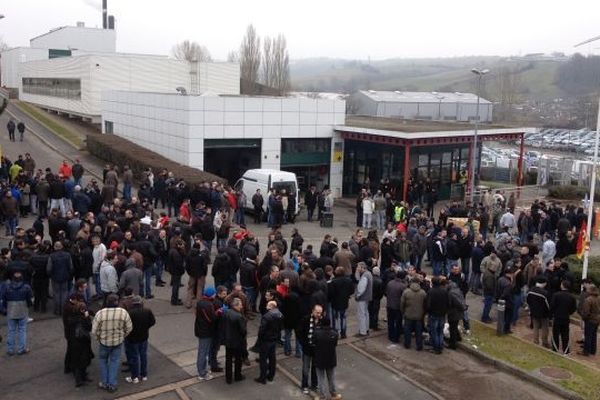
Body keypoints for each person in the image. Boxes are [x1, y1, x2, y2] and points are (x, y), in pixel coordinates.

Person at [92, 294, 133, 393]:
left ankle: (104, 382)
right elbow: (129, 328)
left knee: (103, 361)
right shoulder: (123, 313)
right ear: (117, 302)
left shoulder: (100, 313)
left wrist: (99, 338)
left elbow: (94, 331)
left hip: (104, 343)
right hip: (117, 342)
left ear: (106, 302)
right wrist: (122, 336)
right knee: (114, 362)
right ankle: (112, 384)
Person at [63, 294, 93, 387]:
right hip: (83, 341)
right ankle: (83, 377)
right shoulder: (84, 318)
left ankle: (79, 379)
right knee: (84, 360)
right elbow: (89, 328)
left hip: (74, 341)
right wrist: (87, 317)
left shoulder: (71, 319)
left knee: (76, 360)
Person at [125, 296, 156, 384]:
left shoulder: (130, 313)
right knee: (143, 356)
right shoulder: (147, 311)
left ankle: (135, 377)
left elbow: (126, 326)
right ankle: (144, 375)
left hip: (132, 338)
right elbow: (153, 322)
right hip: (144, 337)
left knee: (134, 357)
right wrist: (146, 327)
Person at [1, 271, 33, 356]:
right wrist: (29, 305)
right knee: (22, 330)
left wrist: (4, 309)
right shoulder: (26, 287)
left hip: (11, 310)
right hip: (22, 310)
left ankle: (10, 349)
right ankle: (21, 349)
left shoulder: (7, 287)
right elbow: (30, 300)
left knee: (11, 330)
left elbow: (3, 300)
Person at [313, 317, 342, 400]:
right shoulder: (334, 334)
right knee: (331, 378)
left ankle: (322, 396)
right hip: (331, 359)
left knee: (320, 379)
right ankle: (333, 394)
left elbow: (314, 343)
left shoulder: (317, 333)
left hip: (320, 359)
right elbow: (335, 344)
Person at [255, 300, 283, 384]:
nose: (266, 306)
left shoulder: (267, 316)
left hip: (265, 340)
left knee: (263, 359)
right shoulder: (280, 314)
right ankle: (271, 376)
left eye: (267, 305)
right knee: (272, 358)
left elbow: (262, 330)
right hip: (274, 340)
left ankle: (262, 378)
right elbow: (281, 327)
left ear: (271, 307)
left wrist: (260, 339)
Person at [298, 304, 323, 394]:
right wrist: (303, 343)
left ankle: (314, 385)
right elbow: (299, 332)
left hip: (317, 349)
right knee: (305, 368)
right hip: (307, 348)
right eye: (317, 312)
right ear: (313, 311)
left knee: (315, 368)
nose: (319, 314)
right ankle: (304, 385)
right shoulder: (306, 319)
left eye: (320, 313)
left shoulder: (323, 321)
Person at [195, 287, 217, 381]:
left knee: (203, 351)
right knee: (203, 353)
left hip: (200, 329)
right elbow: (211, 319)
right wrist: (218, 312)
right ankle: (202, 373)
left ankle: (203, 370)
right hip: (206, 332)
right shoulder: (208, 305)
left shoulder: (200, 302)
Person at [224, 297, 247, 384]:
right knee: (238, 360)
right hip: (237, 342)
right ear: (236, 305)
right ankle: (238, 376)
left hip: (228, 340)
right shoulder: (239, 316)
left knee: (228, 360)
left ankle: (228, 378)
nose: (242, 306)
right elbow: (243, 331)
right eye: (240, 304)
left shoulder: (227, 312)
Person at [47, 241, 74, 316]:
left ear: (55, 247)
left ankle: (57, 310)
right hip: (65, 276)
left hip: (55, 277)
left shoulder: (51, 256)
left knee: (56, 293)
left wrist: (50, 275)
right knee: (64, 293)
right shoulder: (67, 255)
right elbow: (71, 267)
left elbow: (49, 268)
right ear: (62, 247)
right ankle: (63, 310)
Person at [400, 277, 426, 351]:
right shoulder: (423, 292)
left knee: (407, 330)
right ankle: (419, 346)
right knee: (418, 332)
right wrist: (423, 313)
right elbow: (425, 304)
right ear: (418, 283)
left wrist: (403, 312)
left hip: (408, 314)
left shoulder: (406, 292)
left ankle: (407, 344)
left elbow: (402, 304)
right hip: (419, 315)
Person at [551, 280, 576, 354]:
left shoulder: (556, 295)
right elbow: (574, 308)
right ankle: (566, 351)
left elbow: (552, 306)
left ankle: (555, 349)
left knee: (555, 334)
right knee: (565, 335)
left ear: (562, 286)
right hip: (566, 317)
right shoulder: (572, 297)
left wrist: (553, 313)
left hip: (557, 317)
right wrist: (569, 313)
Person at [328, 266, 354, 339]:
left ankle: (335, 332)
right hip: (344, 301)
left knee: (335, 318)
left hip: (335, 302)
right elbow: (352, 290)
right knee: (343, 318)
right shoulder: (348, 280)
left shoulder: (333, 281)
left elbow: (331, 293)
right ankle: (343, 333)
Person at [425, 276, 449, 354]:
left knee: (434, 331)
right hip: (442, 314)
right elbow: (448, 302)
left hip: (433, 314)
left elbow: (428, 305)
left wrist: (428, 312)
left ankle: (436, 348)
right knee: (440, 331)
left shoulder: (431, 291)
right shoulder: (444, 291)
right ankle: (440, 346)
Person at [526, 276, 551, 348]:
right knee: (545, 328)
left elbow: (528, 300)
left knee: (535, 327)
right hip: (544, 313)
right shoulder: (545, 293)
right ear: (543, 284)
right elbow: (548, 305)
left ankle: (536, 341)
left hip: (533, 312)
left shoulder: (530, 290)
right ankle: (545, 342)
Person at [579, 284, 600, 356]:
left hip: (590, 320)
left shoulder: (588, 300)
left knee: (588, 335)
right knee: (594, 335)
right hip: (597, 319)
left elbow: (586, 312)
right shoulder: (598, 298)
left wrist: (584, 317)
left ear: (591, 290)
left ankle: (586, 351)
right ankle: (592, 350)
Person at [354, 262, 372, 337]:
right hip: (367, 297)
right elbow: (357, 278)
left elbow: (361, 288)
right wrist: (357, 272)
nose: (357, 269)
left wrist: (357, 295)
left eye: (358, 267)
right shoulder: (368, 274)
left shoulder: (364, 276)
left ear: (362, 267)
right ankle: (366, 329)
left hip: (362, 298)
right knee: (365, 313)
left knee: (361, 314)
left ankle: (362, 331)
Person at [167, 239, 186, 306]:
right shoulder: (176, 253)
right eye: (182, 245)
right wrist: (182, 269)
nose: (183, 246)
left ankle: (175, 298)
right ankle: (174, 300)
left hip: (173, 270)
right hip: (176, 271)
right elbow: (178, 264)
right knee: (176, 286)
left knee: (176, 285)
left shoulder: (172, 250)